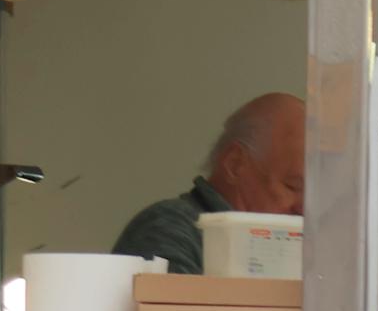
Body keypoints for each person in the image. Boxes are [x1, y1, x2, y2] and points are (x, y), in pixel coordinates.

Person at [112, 92, 305, 270]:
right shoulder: (169, 229)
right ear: (235, 164)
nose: (304, 207)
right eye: (294, 186)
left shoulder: (289, 247)